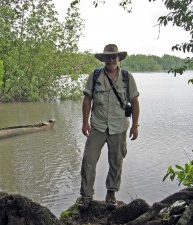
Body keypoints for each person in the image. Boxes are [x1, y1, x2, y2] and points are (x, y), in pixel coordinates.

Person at [77, 44, 140, 210]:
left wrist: (135, 125)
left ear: (118, 59)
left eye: (114, 57)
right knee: (88, 160)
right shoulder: (95, 75)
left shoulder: (127, 77)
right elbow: (87, 99)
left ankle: (111, 193)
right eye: (108, 57)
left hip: (119, 127)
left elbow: (134, 102)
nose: (111, 59)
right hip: (97, 126)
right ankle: (86, 195)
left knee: (116, 162)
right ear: (103, 59)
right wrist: (85, 123)